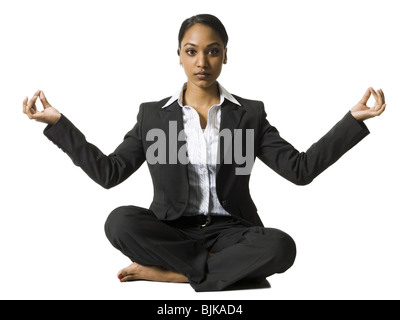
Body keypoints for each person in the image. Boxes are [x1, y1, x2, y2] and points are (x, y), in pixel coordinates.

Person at [22, 14, 386, 292]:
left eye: (212, 51)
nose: (202, 62)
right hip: (171, 229)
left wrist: (353, 120)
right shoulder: (153, 116)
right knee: (119, 221)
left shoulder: (249, 114)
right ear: (178, 56)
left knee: (281, 246)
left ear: (225, 55)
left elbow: (300, 169)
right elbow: (109, 173)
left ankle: (174, 275)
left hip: (233, 231)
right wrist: (57, 124)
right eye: (191, 51)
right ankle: (218, 273)